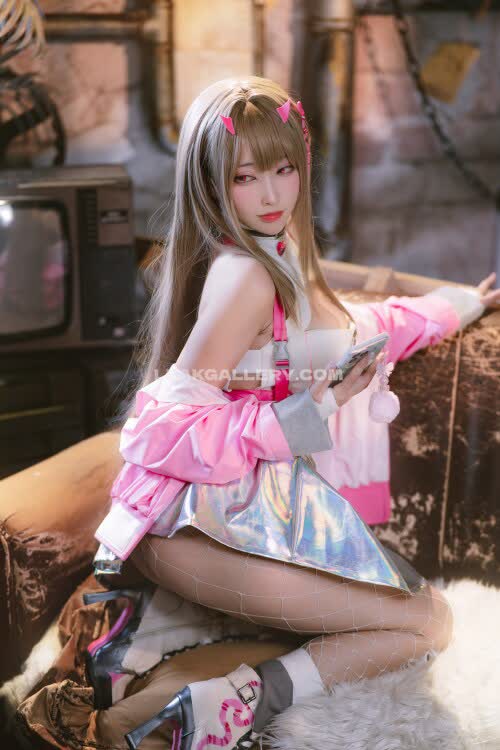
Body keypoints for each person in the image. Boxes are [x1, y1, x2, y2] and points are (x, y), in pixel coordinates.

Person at [89, 77, 499, 749]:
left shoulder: (273, 257)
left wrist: (457, 305)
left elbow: (357, 326)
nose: (273, 194)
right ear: (211, 184)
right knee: (426, 623)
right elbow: (160, 429)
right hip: (191, 526)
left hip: (231, 517)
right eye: (246, 177)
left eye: (284, 169)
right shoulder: (246, 275)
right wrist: (314, 409)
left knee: (418, 615)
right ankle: (236, 703)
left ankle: (162, 675)